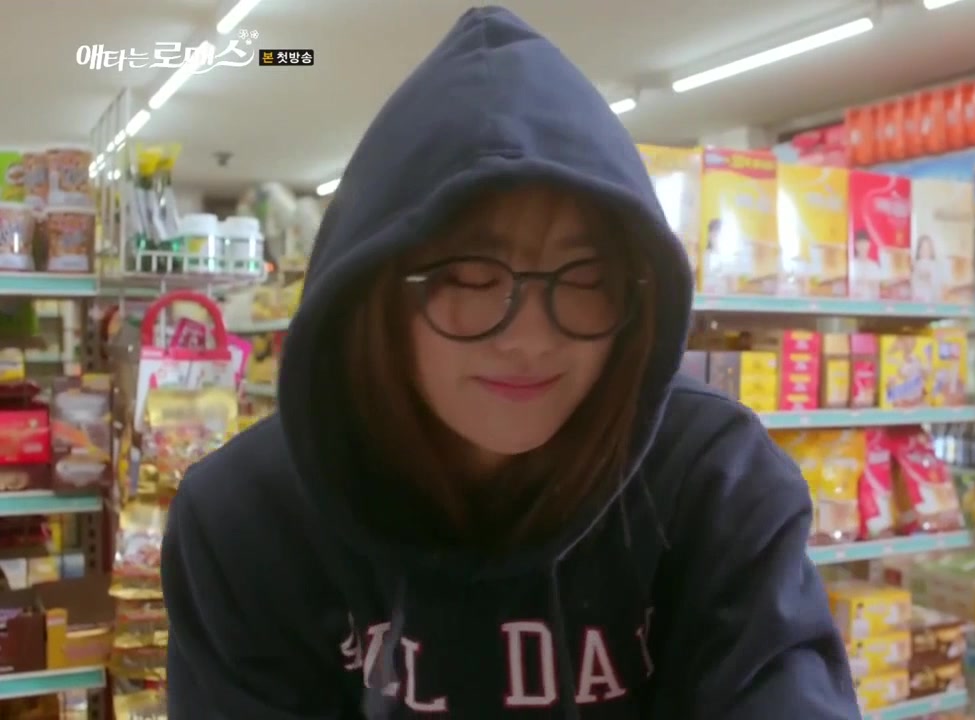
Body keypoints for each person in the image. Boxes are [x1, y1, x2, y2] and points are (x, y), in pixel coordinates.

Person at [162, 6, 858, 719]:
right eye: (469, 276)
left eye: (586, 278)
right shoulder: (247, 521)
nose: (530, 338)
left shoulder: (713, 482)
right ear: (377, 294)